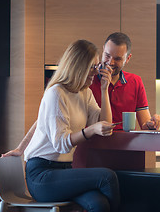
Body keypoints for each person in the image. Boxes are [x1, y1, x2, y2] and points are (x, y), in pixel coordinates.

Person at [2, 32, 160, 158]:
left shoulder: (135, 81)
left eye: (117, 58)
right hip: (89, 151)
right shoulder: (86, 82)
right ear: (103, 50)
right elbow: (46, 119)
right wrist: (21, 148)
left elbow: (144, 124)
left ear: (127, 58)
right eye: (107, 55)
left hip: (126, 151)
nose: (110, 62)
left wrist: (153, 124)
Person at [23, 39, 120, 212]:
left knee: (99, 204)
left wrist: (104, 90)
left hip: (65, 171)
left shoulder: (85, 93)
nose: (95, 72)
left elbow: (104, 125)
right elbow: (60, 144)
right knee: (107, 177)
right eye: (92, 67)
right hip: (42, 175)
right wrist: (90, 130)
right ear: (78, 66)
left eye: (97, 66)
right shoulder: (56, 94)